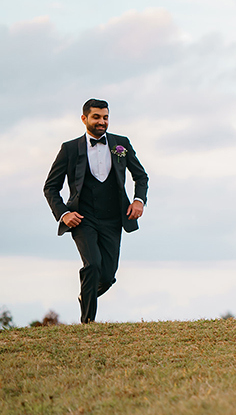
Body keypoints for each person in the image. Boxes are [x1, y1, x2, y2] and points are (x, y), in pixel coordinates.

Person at [43, 99, 149, 323]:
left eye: (106, 117)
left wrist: (139, 200)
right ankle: (88, 323)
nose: (102, 122)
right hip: (83, 219)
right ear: (84, 119)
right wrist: (64, 214)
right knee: (92, 265)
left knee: (108, 276)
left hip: (113, 219)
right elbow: (51, 187)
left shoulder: (121, 144)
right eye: (97, 117)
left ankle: (86, 295)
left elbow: (141, 176)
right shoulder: (70, 149)